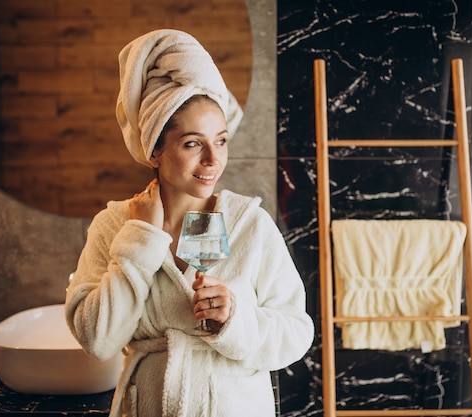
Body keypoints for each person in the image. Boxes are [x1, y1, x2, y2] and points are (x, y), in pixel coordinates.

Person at [64, 29, 314, 417]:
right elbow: (97, 340)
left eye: (222, 140)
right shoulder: (115, 226)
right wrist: (141, 240)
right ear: (155, 151)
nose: (214, 160)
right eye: (193, 143)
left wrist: (234, 318)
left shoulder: (249, 225)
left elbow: (296, 332)